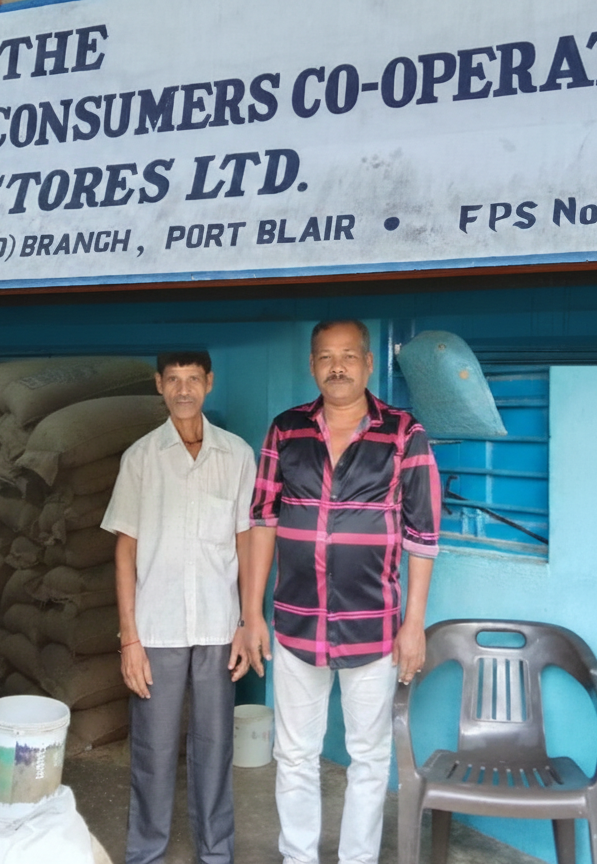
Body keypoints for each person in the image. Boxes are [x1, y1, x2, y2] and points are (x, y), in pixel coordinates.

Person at [233, 320, 441, 864]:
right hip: (297, 621)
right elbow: (262, 523)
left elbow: (423, 536)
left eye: (349, 355)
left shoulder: (405, 433)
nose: (338, 366)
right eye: (326, 356)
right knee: (294, 754)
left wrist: (413, 625)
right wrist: (251, 615)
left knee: (368, 758)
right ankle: (298, 857)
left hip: (373, 625)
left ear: (369, 363)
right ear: (312, 365)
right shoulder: (286, 430)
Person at [101, 350, 256, 864]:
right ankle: (146, 852)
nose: (184, 389)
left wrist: (247, 621)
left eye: (193, 379)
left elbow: (247, 542)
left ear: (209, 383)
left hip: (219, 625)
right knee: (153, 748)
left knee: (215, 747)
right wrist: (129, 638)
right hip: (157, 626)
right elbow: (125, 550)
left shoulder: (237, 455)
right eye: (174, 380)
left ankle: (216, 853)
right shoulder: (141, 457)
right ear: (159, 386)